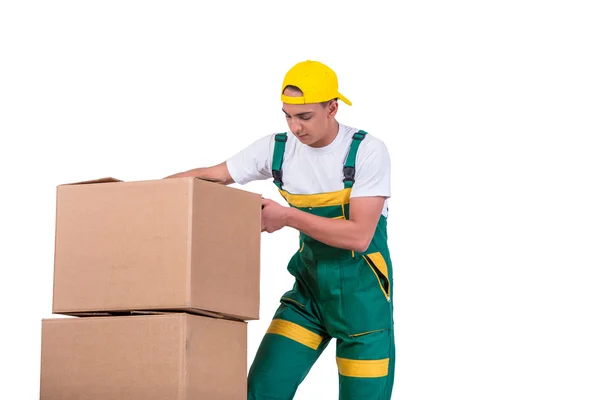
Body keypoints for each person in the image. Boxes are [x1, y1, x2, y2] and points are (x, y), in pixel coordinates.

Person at [165, 60, 395, 400]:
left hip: (364, 303)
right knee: (262, 391)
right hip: (309, 296)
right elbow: (214, 175)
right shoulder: (277, 149)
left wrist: (287, 216)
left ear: (332, 108)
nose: (295, 127)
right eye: (288, 115)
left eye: (304, 117)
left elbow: (359, 236)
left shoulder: (366, 151)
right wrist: (145, 195)